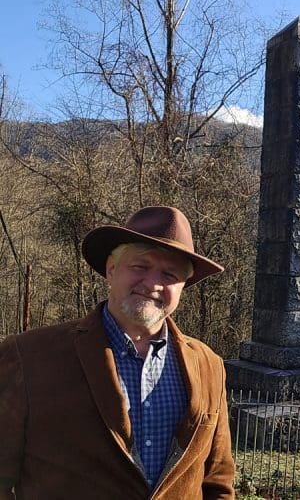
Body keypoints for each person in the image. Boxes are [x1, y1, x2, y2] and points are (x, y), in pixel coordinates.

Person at [0, 206, 235, 499]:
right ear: (111, 269)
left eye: (169, 274)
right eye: (140, 266)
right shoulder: (29, 357)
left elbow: (217, 481)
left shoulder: (209, 366)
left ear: (183, 286)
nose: (153, 283)